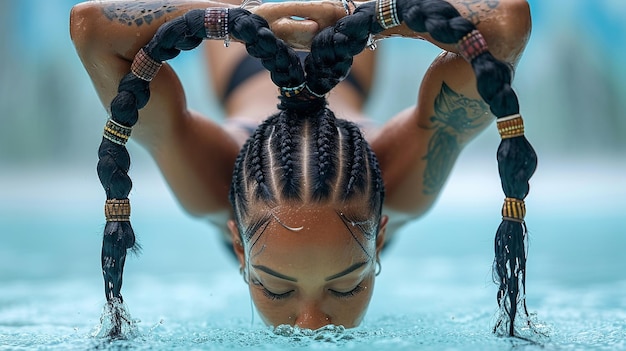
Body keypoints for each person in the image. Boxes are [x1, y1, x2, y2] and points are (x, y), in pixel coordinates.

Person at [70, 0, 536, 337]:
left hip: (250, 58)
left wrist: (243, 21)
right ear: (237, 243)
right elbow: (88, 25)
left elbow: (93, 30)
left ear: (382, 230)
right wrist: (357, 19)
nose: (311, 329)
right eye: (272, 290)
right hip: (341, 60)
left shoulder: (206, 184)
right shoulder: (405, 180)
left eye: (350, 285)